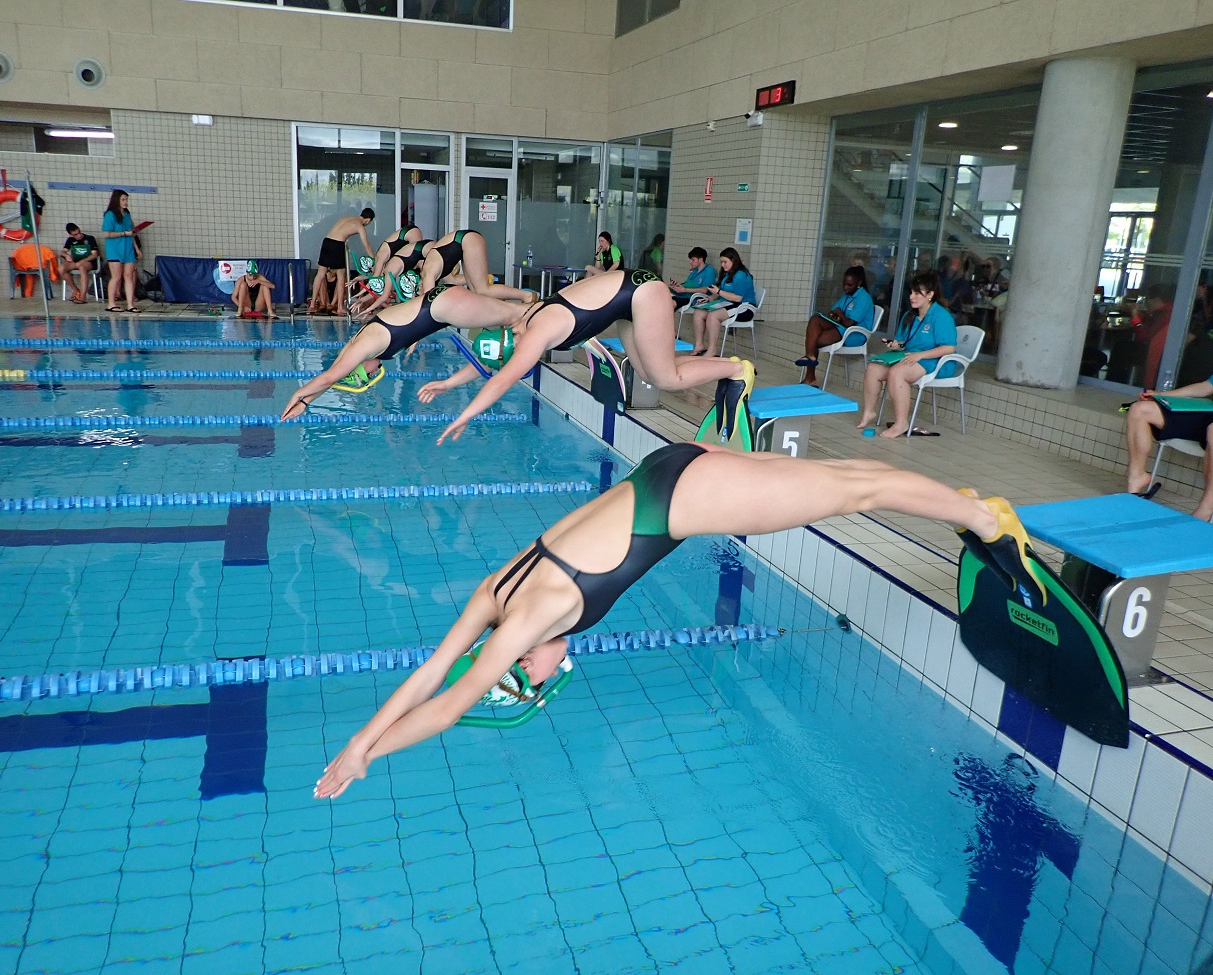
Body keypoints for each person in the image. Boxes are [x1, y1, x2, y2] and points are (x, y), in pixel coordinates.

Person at [312, 441, 1037, 799]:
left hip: (687, 498)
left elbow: (445, 705)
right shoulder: (495, 593)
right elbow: (433, 672)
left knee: (854, 492)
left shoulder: (535, 616)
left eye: (538, 677)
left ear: (513, 669)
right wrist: (356, 740)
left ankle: (985, 517)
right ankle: (957, 501)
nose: (555, 667)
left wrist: (366, 756)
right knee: (843, 482)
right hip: (665, 471)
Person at [418, 269, 754, 445]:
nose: (518, 351)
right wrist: (450, 383)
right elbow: (492, 363)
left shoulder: (537, 333)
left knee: (667, 379)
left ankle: (736, 369)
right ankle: (728, 369)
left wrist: (465, 416)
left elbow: (503, 378)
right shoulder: (522, 316)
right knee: (650, 374)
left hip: (642, 293)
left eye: (515, 349)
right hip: (628, 297)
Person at [279, 285, 525, 420]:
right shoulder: (357, 345)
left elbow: (330, 377)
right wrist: (306, 402)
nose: (375, 373)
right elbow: (334, 375)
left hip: (445, 306)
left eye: (369, 375)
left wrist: (298, 395)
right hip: (442, 303)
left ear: (361, 367)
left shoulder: (365, 347)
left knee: (521, 316)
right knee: (513, 328)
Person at [856, 269, 957, 439]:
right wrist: (896, 345)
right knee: (873, 367)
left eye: (918, 293)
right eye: (911, 292)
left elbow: (949, 348)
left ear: (930, 295)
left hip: (934, 361)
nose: (912, 296)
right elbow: (903, 343)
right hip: (909, 357)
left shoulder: (941, 316)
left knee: (897, 373)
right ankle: (869, 412)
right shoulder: (910, 316)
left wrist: (920, 355)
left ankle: (901, 422)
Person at [1124, 380, 1213, 519]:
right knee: (1139, 409)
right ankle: (1136, 478)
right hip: (1208, 413)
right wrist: (1162, 395)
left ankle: (1207, 508)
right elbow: (1208, 386)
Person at [796, 265, 876, 385]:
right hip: (841, 327)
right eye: (844, 284)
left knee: (814, 340)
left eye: (849, 285)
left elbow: (849, 323)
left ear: (859, 283)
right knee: (815, 319)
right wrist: (836, 315)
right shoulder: (847, 295)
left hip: (854, 334)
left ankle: (810, 375)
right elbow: (833, 311)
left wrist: (840, 315)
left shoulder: (864, 298)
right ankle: (811, 360)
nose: (845, 287)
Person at [417, 229, 537, 303]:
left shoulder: (428, 273)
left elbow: (427, 303)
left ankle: (527, 296)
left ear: (421, 283)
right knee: (477, 290)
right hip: (464, 242)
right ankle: (506, 305)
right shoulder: (432, 270)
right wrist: (483, 276)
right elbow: (454, 280)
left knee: (482, 289)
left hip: (467, 240)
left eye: (418, 291)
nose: (419, 293)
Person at [691, 247, 756, 356]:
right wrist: (708, 299)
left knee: (713, 316)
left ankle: (712, 350)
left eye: (725, 262)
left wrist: (719, 292)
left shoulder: (741, 276)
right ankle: (699, 345)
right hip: (727, 303)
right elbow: (718, 293)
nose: (722, 265)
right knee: (699, 312)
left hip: (744, 308)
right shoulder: (727, 274)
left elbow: (738, 298)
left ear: (734, 261)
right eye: (721, 262)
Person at [309, 208, 375, 316]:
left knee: (320, 274)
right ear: (368, 220)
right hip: (337, 245)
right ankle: (339, 307)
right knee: (341, 275)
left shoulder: (347, 218)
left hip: (326, 242)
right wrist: (375, 260)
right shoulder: (359, 226)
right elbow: (366, 246)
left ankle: (312, 304)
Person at [350, 237, 430, 319]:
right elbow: (380, 293)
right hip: (420, 251)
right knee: (422, 287)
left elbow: (383, 295)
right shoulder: (387, 275)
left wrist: (368, 308)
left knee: (424, 287)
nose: (389, 293)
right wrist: (362, 300)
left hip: (422, 247)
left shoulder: (388, 272)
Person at [101, 189, 141, 313]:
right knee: (116, 277)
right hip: (115, 249)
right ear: (116, 200)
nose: (126, 202)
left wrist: (137, 249)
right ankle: (111, 304)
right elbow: (106, 234)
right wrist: (124, 233)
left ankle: (130, 304)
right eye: (123, 199)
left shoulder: (127, 214)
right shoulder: (110, 215)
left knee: (129, 276)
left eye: (126, 199)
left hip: (127, 249)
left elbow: (131, 233)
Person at [59, 223, 99, 304]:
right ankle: (76, 290)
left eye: (79, 232)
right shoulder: (70, 240)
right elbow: (63, 252)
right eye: (75, 234)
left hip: (88, 262)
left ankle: (83, 297)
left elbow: (94, 255)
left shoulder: (89, 238)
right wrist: (66, 256)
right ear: (70, 235)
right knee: (61, 268)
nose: (79, 235)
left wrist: (83, 261)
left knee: (82, 267)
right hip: (76, 261)